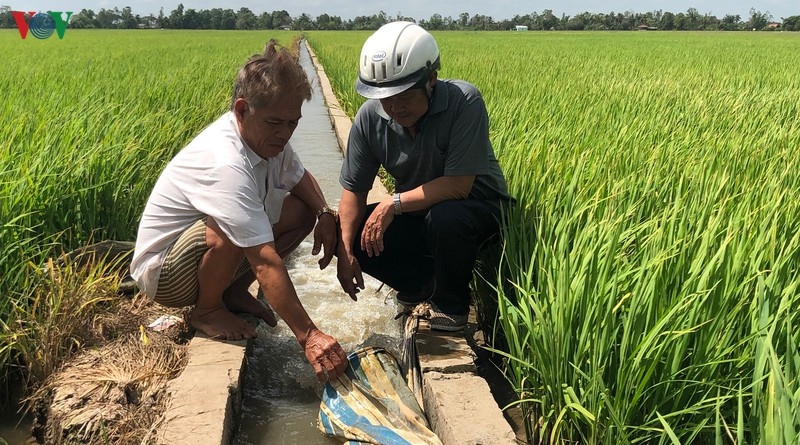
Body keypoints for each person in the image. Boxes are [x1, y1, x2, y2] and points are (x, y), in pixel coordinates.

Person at [130, 40, 347, 382]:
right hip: (165, 274)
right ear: (242, 110)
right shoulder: (226, 162)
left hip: (200, 258)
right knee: (230, 226)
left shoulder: (272, 139)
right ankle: (207, 310)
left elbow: (298, 176)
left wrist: (323, 213)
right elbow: (264, 259)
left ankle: (231, 292)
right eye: (276, 122)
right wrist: (310, 336)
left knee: (300, 211)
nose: (285, 133)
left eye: (294, 123)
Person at [335, 22, 514, 332]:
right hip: (422, 213)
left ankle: (451, 305)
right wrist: (346, 251)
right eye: (385, 97)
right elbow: (354, 191)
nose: (394, 106)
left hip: (478, 212)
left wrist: (393, 203)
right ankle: (423, 286)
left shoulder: (464, 102)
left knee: (445, 217)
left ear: (431, 79)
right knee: (353, 230)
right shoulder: (370, 118)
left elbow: (458, 186)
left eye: (404, 95)